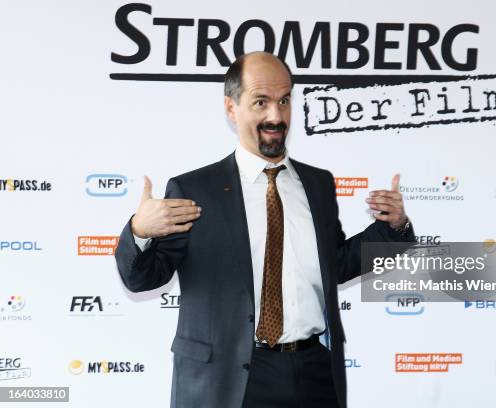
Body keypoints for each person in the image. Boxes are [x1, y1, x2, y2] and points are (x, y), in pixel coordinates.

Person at [114, 51, 415, 408]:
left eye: (284, 100)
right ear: (231, 107)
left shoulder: (318, 183)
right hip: (228, 378)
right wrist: (140, 231)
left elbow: (335, 264)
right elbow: (143, 279)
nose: (276, 116)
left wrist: (394, 227)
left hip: (313, 371)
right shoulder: (195, 189)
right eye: (261, 102)